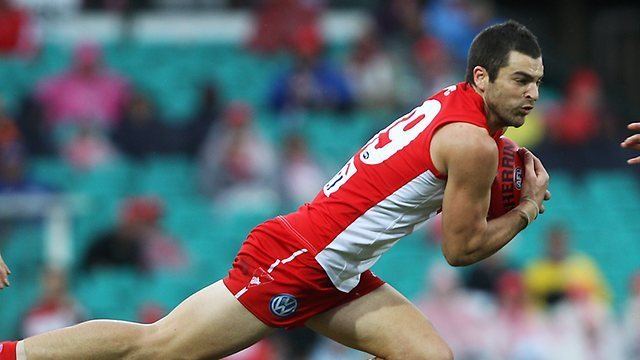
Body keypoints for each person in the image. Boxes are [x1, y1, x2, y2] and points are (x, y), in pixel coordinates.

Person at [0, 20, 550, 360]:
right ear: (481, 78)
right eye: (520, 80)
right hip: (298, 258)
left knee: (426, 356)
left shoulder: (453, 109)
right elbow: (460, 251)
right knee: (158, 348)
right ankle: (11, 355)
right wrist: (525, 207)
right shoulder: (473, 144)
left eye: (538, 83)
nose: (531, 94)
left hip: (337, 269)